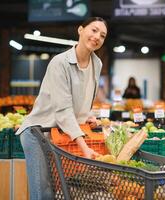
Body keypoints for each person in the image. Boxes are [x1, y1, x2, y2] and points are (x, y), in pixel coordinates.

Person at [16, 17, 108, 200]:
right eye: (94, 30)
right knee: (44, 192)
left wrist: (86, 114)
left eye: (103, 35)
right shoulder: (60, 63)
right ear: (80, 30)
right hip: (39, 133)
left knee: (61, 189)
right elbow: (63, 110)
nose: (97, 37)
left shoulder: (97, 64)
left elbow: (85, 94)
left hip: (62, 134)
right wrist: (84, 147)